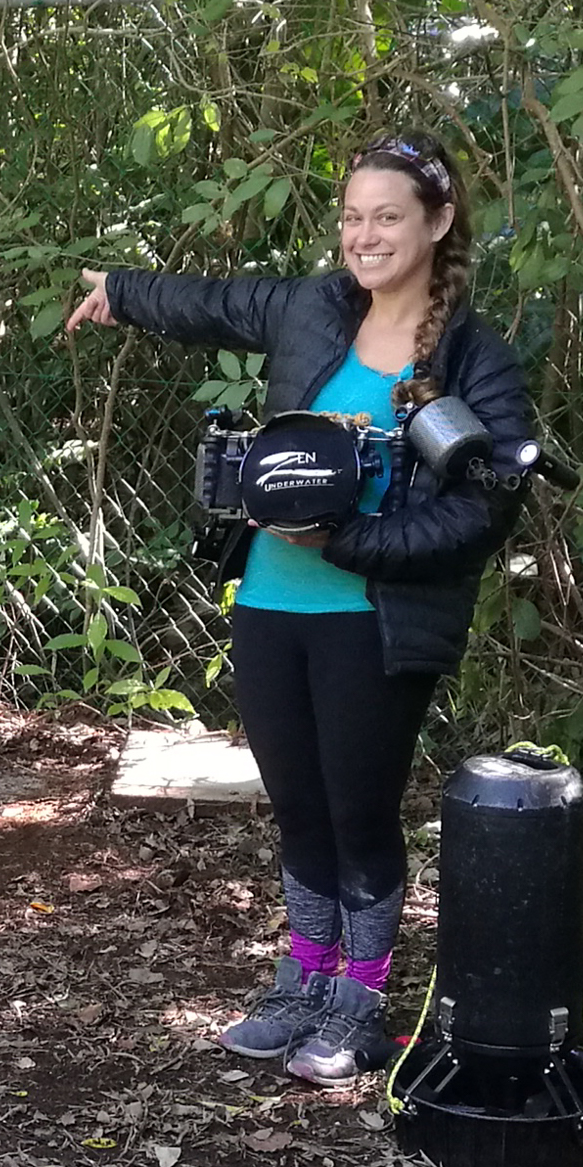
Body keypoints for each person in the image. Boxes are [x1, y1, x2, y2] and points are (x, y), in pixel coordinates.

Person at [64, 132, 537, 1086]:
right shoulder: (315, 311)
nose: (366, 236)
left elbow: (481, 511)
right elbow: (215, 301)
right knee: (297, 807)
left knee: (357, 811)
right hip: (270, 603)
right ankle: (303, 975)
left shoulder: (477, 357)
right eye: (354, 217)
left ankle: (361, 998)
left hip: (376, 617)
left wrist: (347, 543)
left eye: (388, 216)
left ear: (439, 224)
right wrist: (120, 290)